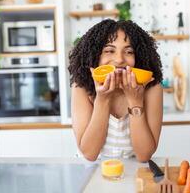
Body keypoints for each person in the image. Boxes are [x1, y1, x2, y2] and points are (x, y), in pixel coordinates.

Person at [68, 19, 163, 162]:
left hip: (132, 173)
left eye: (129, 51)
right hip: (90, 171)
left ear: (138, 57)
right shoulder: (81, 87)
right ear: (95, 56)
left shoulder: (152, 88)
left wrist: (135, 100)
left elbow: (144, 155)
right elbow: (89, 153)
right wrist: (102, 99)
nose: (119, 60)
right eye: (109, 51)